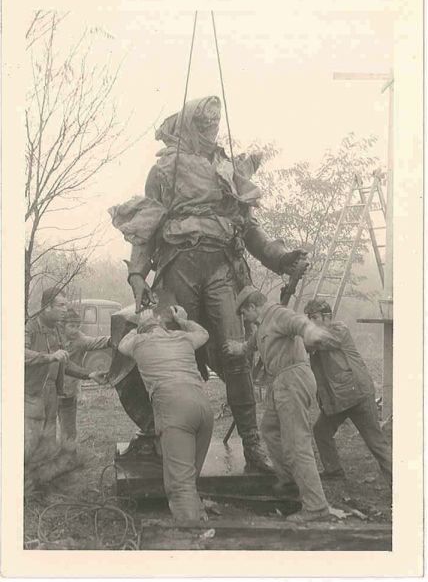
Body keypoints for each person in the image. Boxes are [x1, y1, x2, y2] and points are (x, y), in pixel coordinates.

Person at [109, 95, 308, 473]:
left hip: (220, 270)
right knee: (174, 355)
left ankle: (252, 445)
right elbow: (147, 225)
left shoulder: (226, 169)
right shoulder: (165, 170)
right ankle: (167, 438)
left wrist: (280, 257)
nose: (211, 130)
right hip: (178, 267)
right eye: (203, 124)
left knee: (236, 356)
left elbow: (248, 226)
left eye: (215, 124)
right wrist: (137, 275)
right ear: (187, 125)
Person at [224, 286, 340, 523]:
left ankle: (316, 507)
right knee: (270, 429)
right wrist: (237, 348)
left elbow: (300, 323)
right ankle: (289, 482)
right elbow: (249, 346)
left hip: (293, 378)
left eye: (244, 314)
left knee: (296, 443)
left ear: (252, 308)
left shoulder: (278, 314)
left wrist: (311, 331)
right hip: (280, 383)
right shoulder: (262, 325)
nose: (244, 319)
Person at [118, 306, 214, 522]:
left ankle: (191, 539)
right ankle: (199, 521)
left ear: (143, 329)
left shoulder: (138, 342)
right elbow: (204, 334)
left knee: (180, 487)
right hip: (202, 407)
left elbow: (122, 344)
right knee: (191, 476)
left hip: (175, 408)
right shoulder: (182, 337)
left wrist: (136, 325)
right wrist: (184, 320)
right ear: (162, 323)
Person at [303, 299, 392, 487]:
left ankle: (399, 484)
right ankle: (333, 471)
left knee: (375, 442)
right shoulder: (315, 339)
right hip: (339, 399)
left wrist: (299, 332)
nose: (311, 322)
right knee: (321, 430)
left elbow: (318, 341)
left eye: (315, 317)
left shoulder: (338, 330)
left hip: (358, 395)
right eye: (308, 318)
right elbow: (308, 345)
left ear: (327, 317)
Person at [25, 288, 105, 491]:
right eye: (60, 305)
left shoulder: (57, 331)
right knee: (30, 443)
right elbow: (18, 352)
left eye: (66, 306)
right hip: (31, 394)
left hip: (52, 393)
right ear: (46, 306)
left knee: (48, 442)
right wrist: (48, 357)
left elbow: (64, 363)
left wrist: (89, 374)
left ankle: (44, 488)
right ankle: (24, 493)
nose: (64, 310)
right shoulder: (30, 326)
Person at [59, 307, 111, 443]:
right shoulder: (55, 337)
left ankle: (69, 457)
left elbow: (94, 342)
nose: (75, 330)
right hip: (50, 390)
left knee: (68, 429)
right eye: (71, 326)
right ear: (62, 325)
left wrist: (112, 340)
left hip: (68, 391)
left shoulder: (80, 339)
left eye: (77, 326)